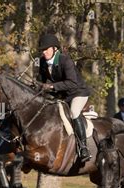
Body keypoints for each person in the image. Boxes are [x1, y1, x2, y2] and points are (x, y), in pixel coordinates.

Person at [37, 33, 92, 162]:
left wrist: (51, 87)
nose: (44, 52)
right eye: (42, 50)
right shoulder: (42, 62)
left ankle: (83, 148)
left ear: (54, 49)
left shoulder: (65, 60)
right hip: (63, 95)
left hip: (78, 92)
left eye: (46, 49)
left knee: (73, 112)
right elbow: (41, 81)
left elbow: (72, 83)